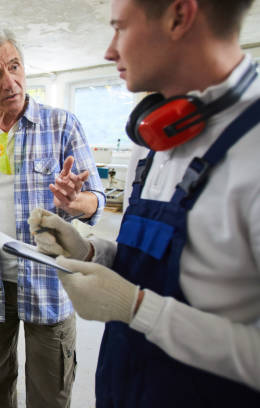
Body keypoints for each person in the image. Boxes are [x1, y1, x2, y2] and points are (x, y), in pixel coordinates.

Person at [28, 0, 260, 406]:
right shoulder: (155, 139)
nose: (109, 50)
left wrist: (137, 309)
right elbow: (150, 261)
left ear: (179, 16)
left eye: (120, 28)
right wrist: (91, 250)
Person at [0, 29, 105, 408]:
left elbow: (96, 201)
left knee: (50, 390)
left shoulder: (61, 124)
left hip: (48, 284)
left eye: (14, 67)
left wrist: (75, 200)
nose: (10, 81)